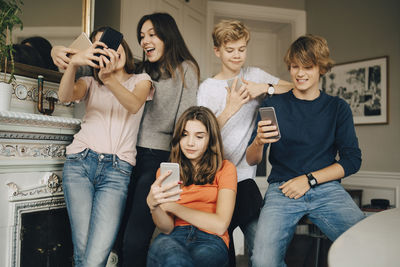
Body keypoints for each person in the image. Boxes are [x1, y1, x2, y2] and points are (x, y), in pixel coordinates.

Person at [246, 34, 365, 267]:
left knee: (366, 243)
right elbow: (252, 159)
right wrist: (258, 142)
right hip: (282, 189)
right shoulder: (274, 104)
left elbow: (352, 160)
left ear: (321, 68)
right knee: (262, 261)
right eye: (294, 67)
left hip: (326, 189)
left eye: (307, 67)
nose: (300, 74)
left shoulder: (337, 108)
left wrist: (308, 180)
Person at [197, 19, 292, 266]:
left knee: (265, 251)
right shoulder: (207, 88)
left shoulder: (254, 75)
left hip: (244, 180)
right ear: (217, 51)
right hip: (214, 182)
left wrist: (266, 87)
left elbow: (294, 88)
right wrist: (230, 109)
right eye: (230, 50)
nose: (237, 56)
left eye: (241, 49)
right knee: (219, 253)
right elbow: (200, 133)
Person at [59, 26, 153, 267]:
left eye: (114, 44)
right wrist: (73, 64)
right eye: (101, 47)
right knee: (82, 251)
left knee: (96, 256)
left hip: (117, 171)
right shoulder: (89, 82)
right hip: (79, 163)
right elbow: (64, 96)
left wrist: (109, 79)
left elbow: (133, 105)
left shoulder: (142, 80)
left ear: (124, 47)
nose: (111, 51)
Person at [119, 13, 200, 267]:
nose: (145, 41)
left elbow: (183, 124)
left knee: (136, 234)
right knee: (118, 231)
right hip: (127, 154)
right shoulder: (141, 71)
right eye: (142, 36)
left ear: (167, 35)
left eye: (152, 34)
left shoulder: (185, 69)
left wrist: (176, 169)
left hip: (158, 158)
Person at [146, 106, 237, 267]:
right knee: (173, 259)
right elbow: (167, 228)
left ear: (211, 139)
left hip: (211, 239)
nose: (190, 143)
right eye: (184, 135)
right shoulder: (165, 172)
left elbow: (220, 224)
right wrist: (154, 207)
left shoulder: (226, 168)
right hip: (173, 237)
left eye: (199, 136)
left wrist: (173, 207)